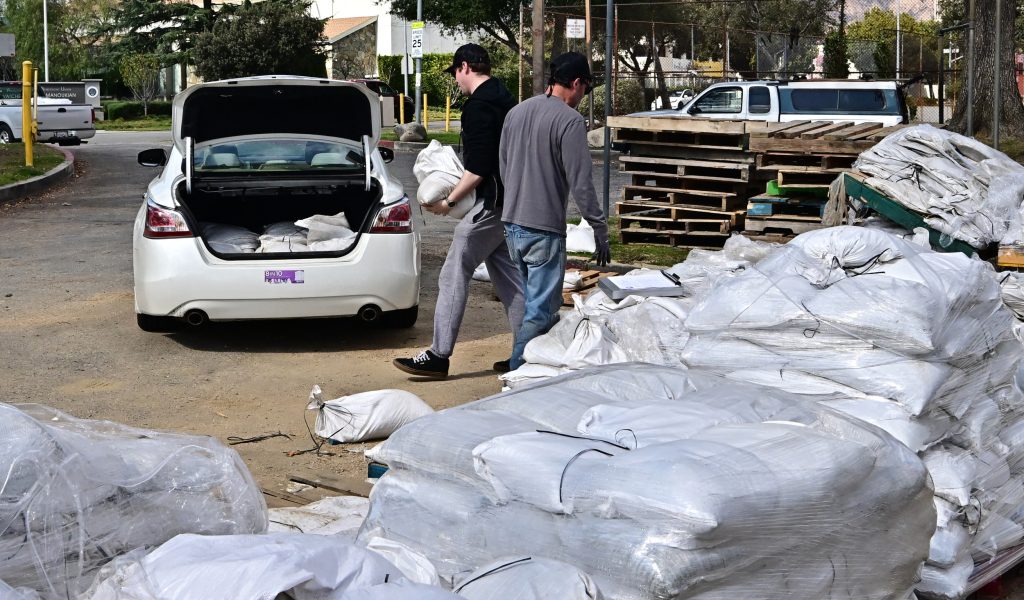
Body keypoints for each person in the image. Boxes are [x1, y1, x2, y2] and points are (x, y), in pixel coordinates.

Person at [393, 43, 525, 379]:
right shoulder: (505, 98)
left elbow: (479, 166)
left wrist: (449, 202)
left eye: (455, 73)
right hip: (509, 201)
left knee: (453, 271)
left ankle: (439, 355)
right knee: (509, 280)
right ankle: (528, 353)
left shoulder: (479, 107)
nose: (456, 80)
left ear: (464, 67)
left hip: (490, 203)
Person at [499, 51, 611, 371]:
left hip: (512, 226)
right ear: (576, 83)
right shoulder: (571, 121)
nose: (583, 96)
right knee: (542, 311)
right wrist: (600, 230)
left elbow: (504, 167)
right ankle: (518, 372)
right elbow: (582, 184)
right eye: (585, 89)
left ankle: (531, 365)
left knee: (530, 304)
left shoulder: (516, 112)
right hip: (543, 230)